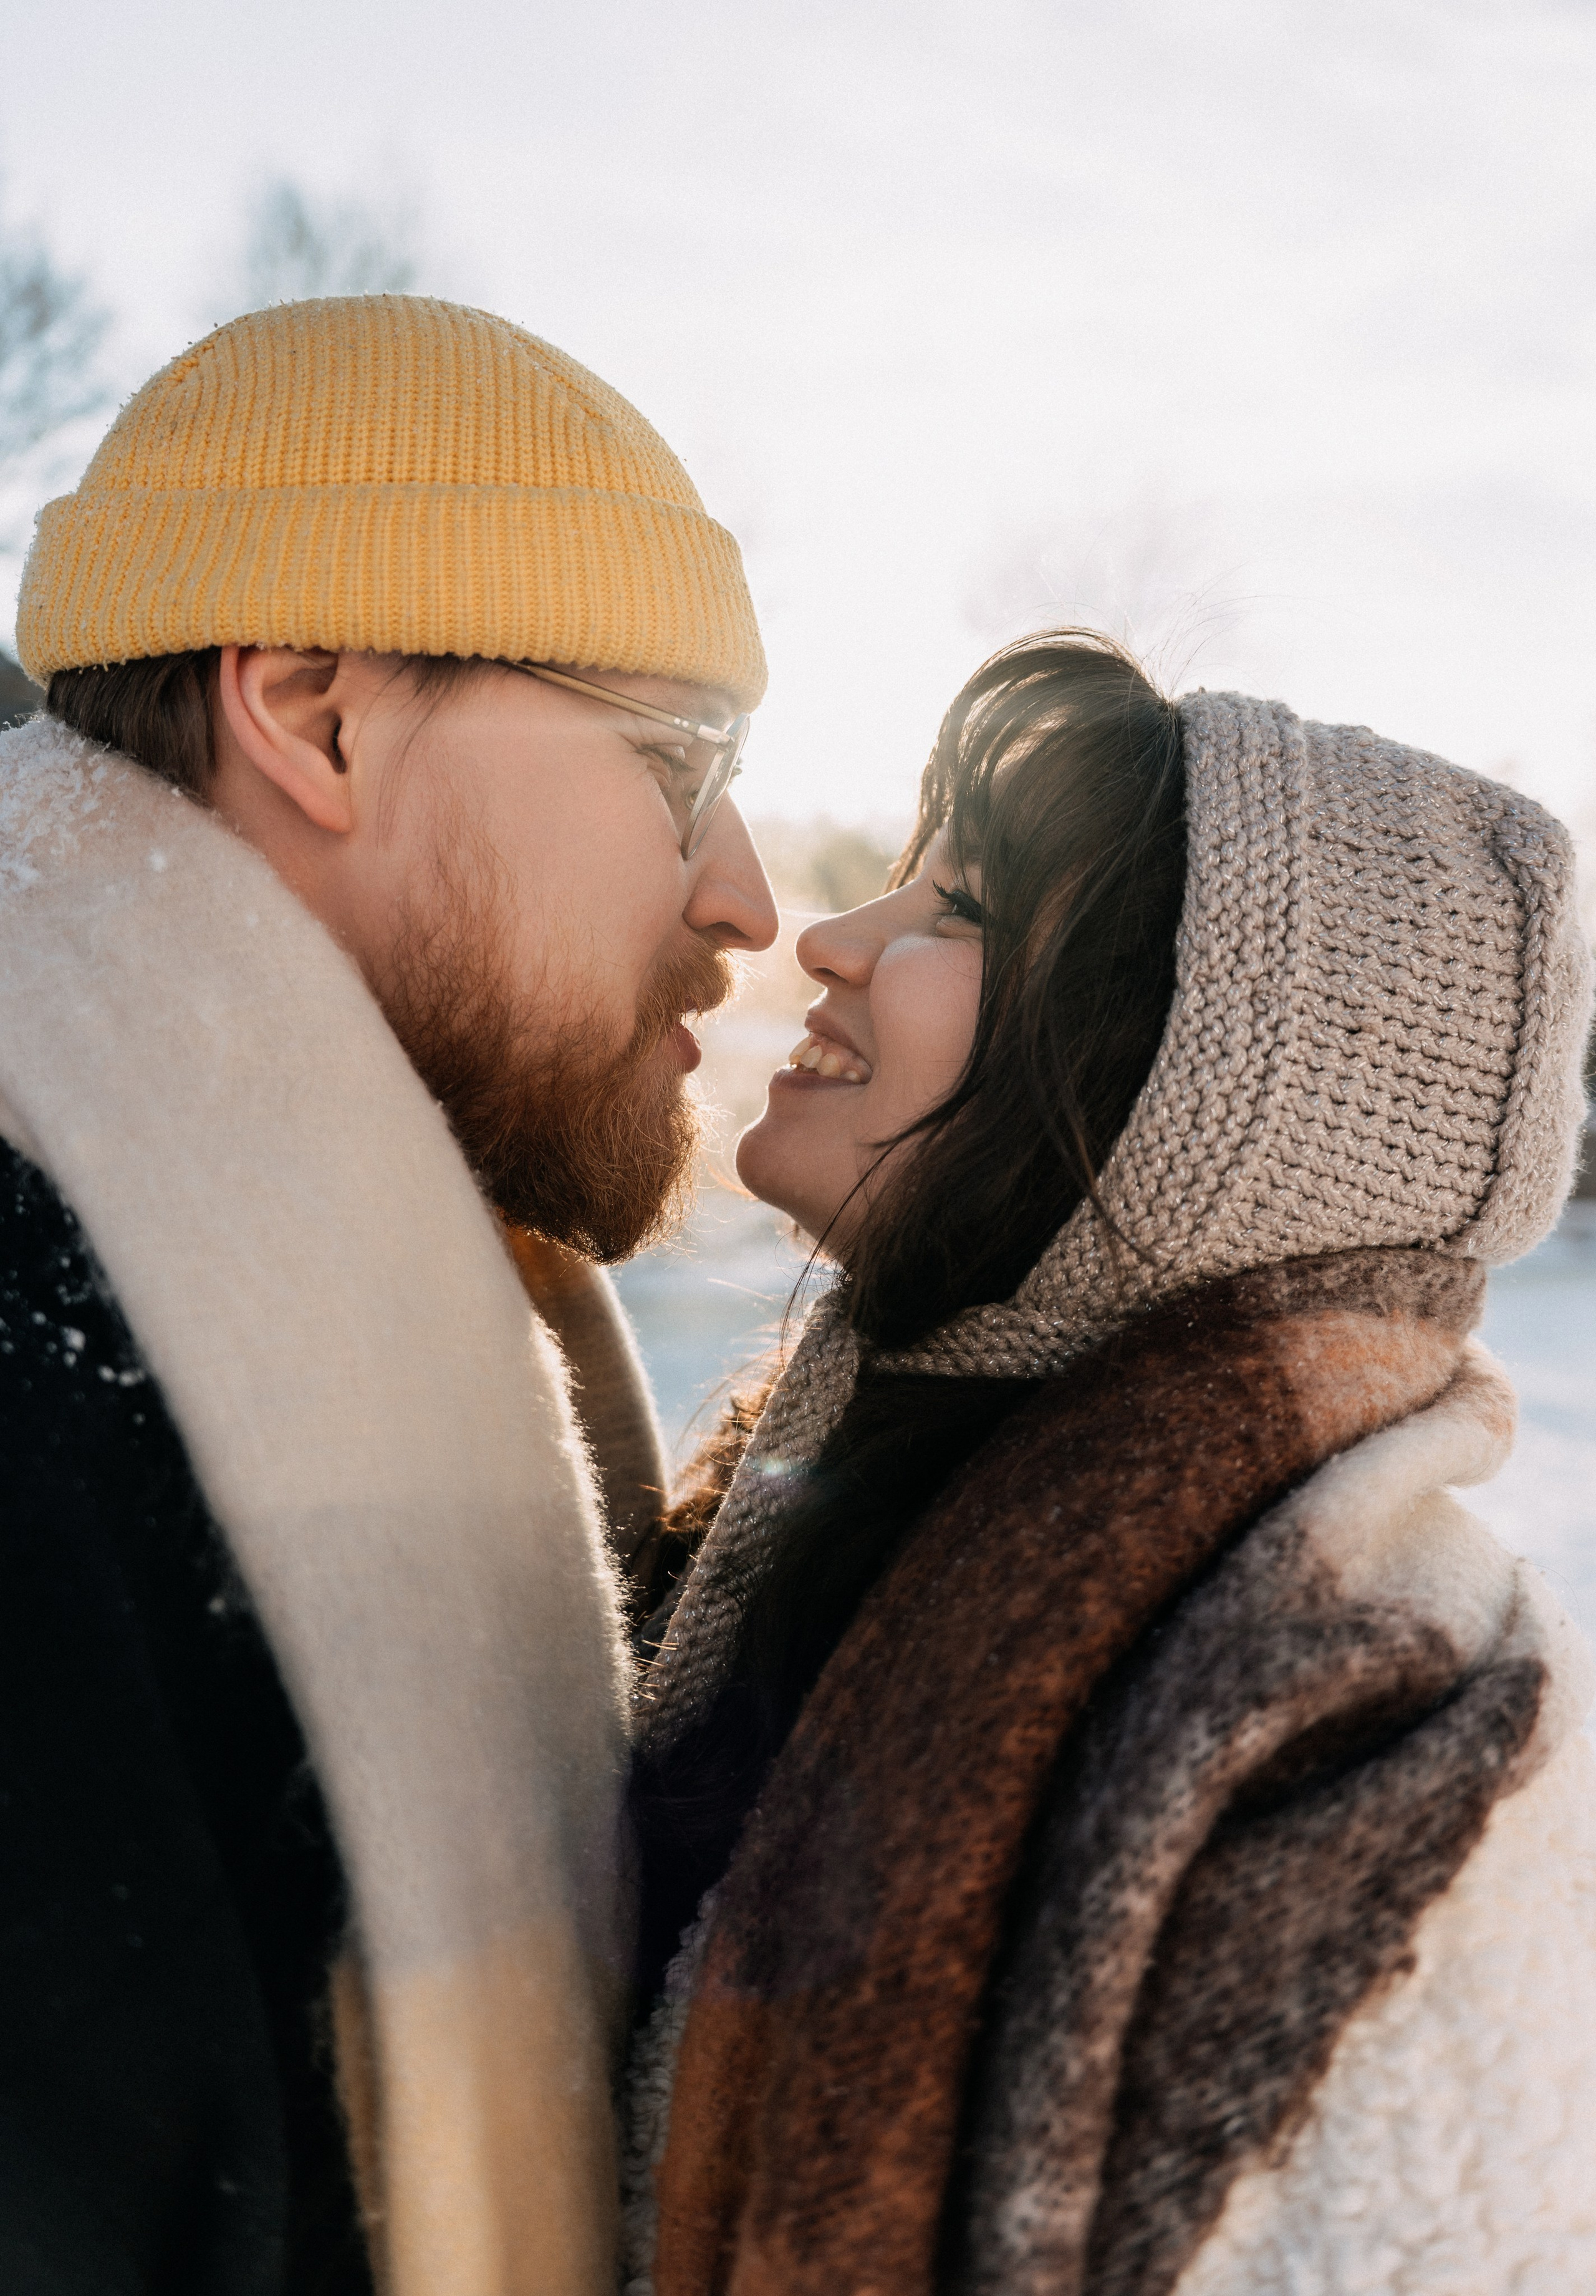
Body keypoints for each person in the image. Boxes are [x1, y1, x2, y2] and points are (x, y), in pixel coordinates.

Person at [624, 632, 1596, 2294]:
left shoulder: (1370, 1746)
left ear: (1188, 1105)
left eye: (968, 908)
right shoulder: (826, 1494)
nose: (831, 937)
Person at [0, 293, 776, 2296]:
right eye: (682, 759)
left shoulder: (446, 1310)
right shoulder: (48, 1414)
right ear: (320, 713)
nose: (749, 894)